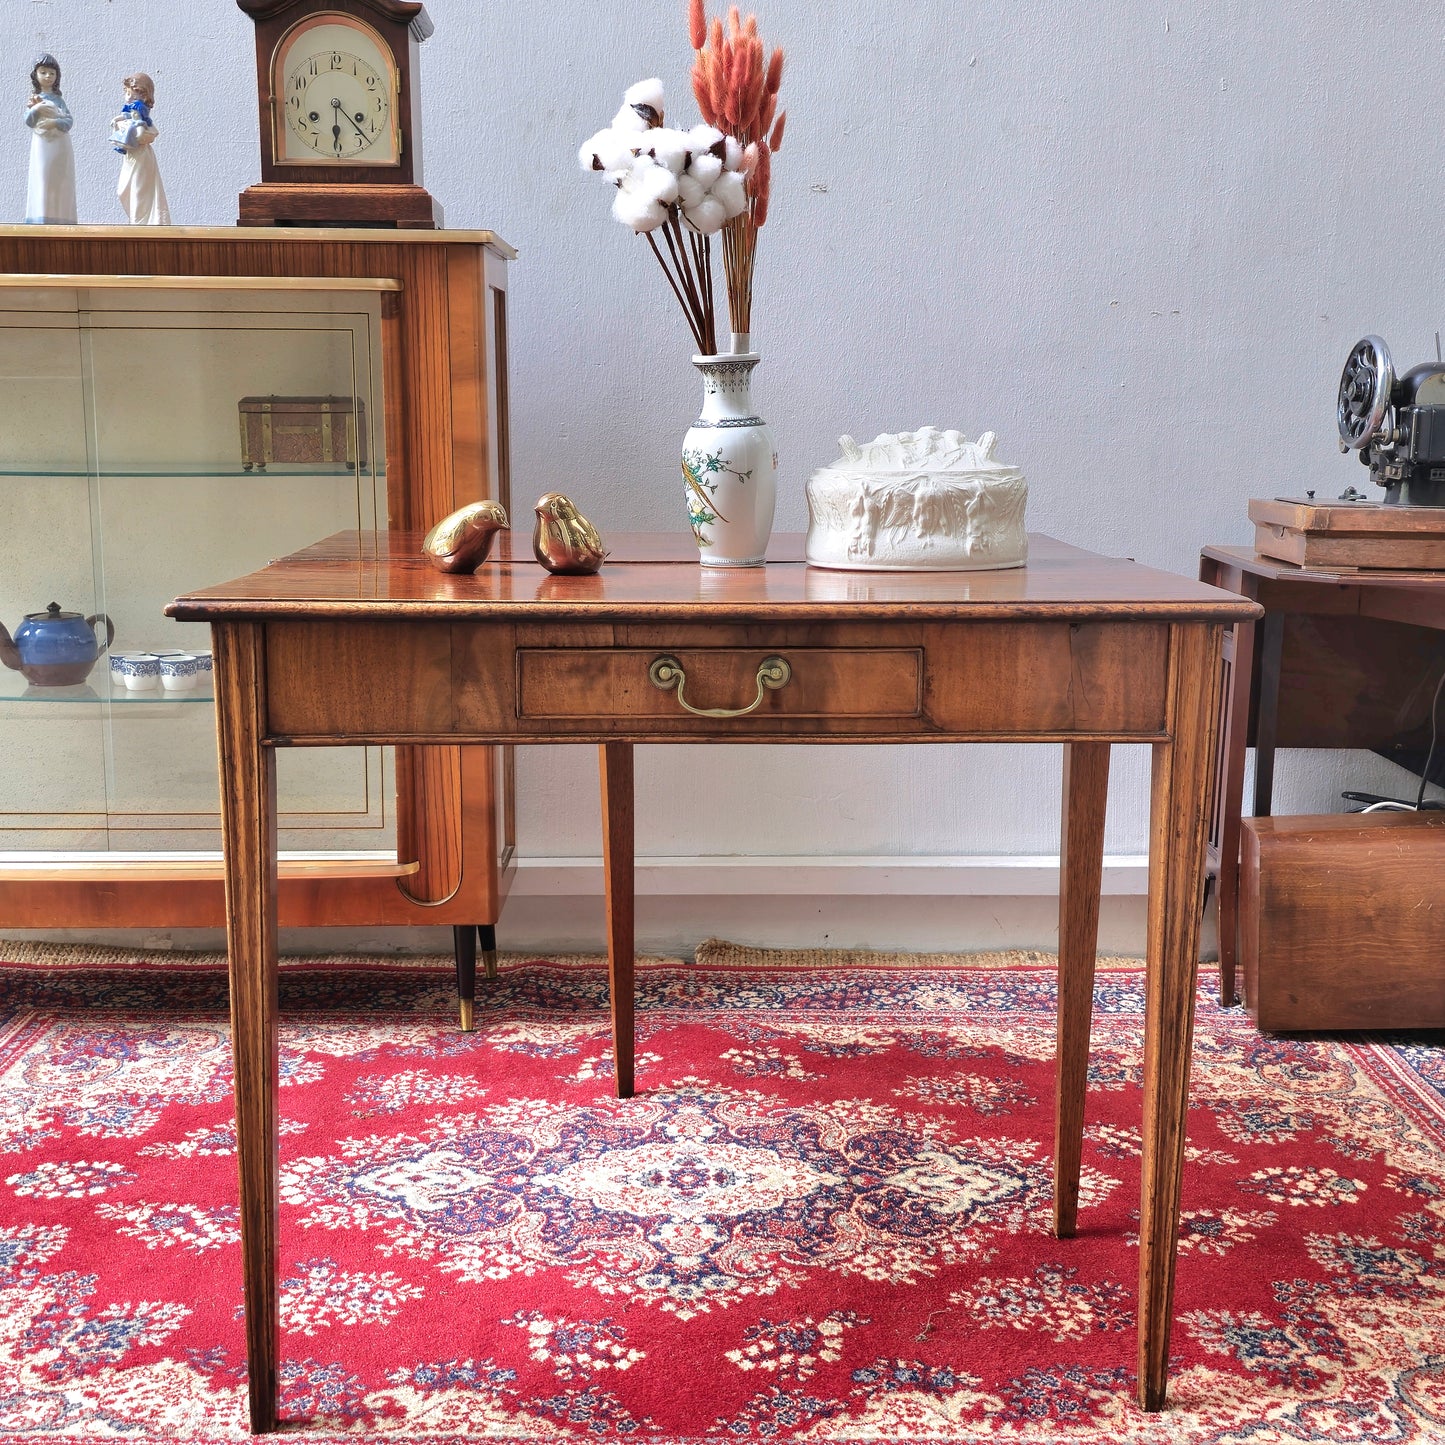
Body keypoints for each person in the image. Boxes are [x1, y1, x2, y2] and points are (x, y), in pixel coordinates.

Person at [112, 72, 170, 225]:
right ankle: (136, 222)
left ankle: (140, 224)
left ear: (144, 96)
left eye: (133, 95)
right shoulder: (128, 111)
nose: (129, 98)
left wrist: (135, 131)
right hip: (130, 157)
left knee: (139, 191)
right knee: (123, 190)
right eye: (127, 93)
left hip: (141, 157)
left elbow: (150, 133)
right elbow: (123, 120)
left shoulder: (141, 112)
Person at [24, 53, 76, 224]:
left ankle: (60, 216)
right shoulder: (34, 100)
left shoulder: (58, 100)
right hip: (41, 143)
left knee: (59, 178)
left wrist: (53, 122)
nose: (48, 76)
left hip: (59, 144)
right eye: (43, 72)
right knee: (42, 176)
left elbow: (68, 121)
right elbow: (29, 120)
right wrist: (36, 109)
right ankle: (40, 216)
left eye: (52, 73)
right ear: (36, 75)